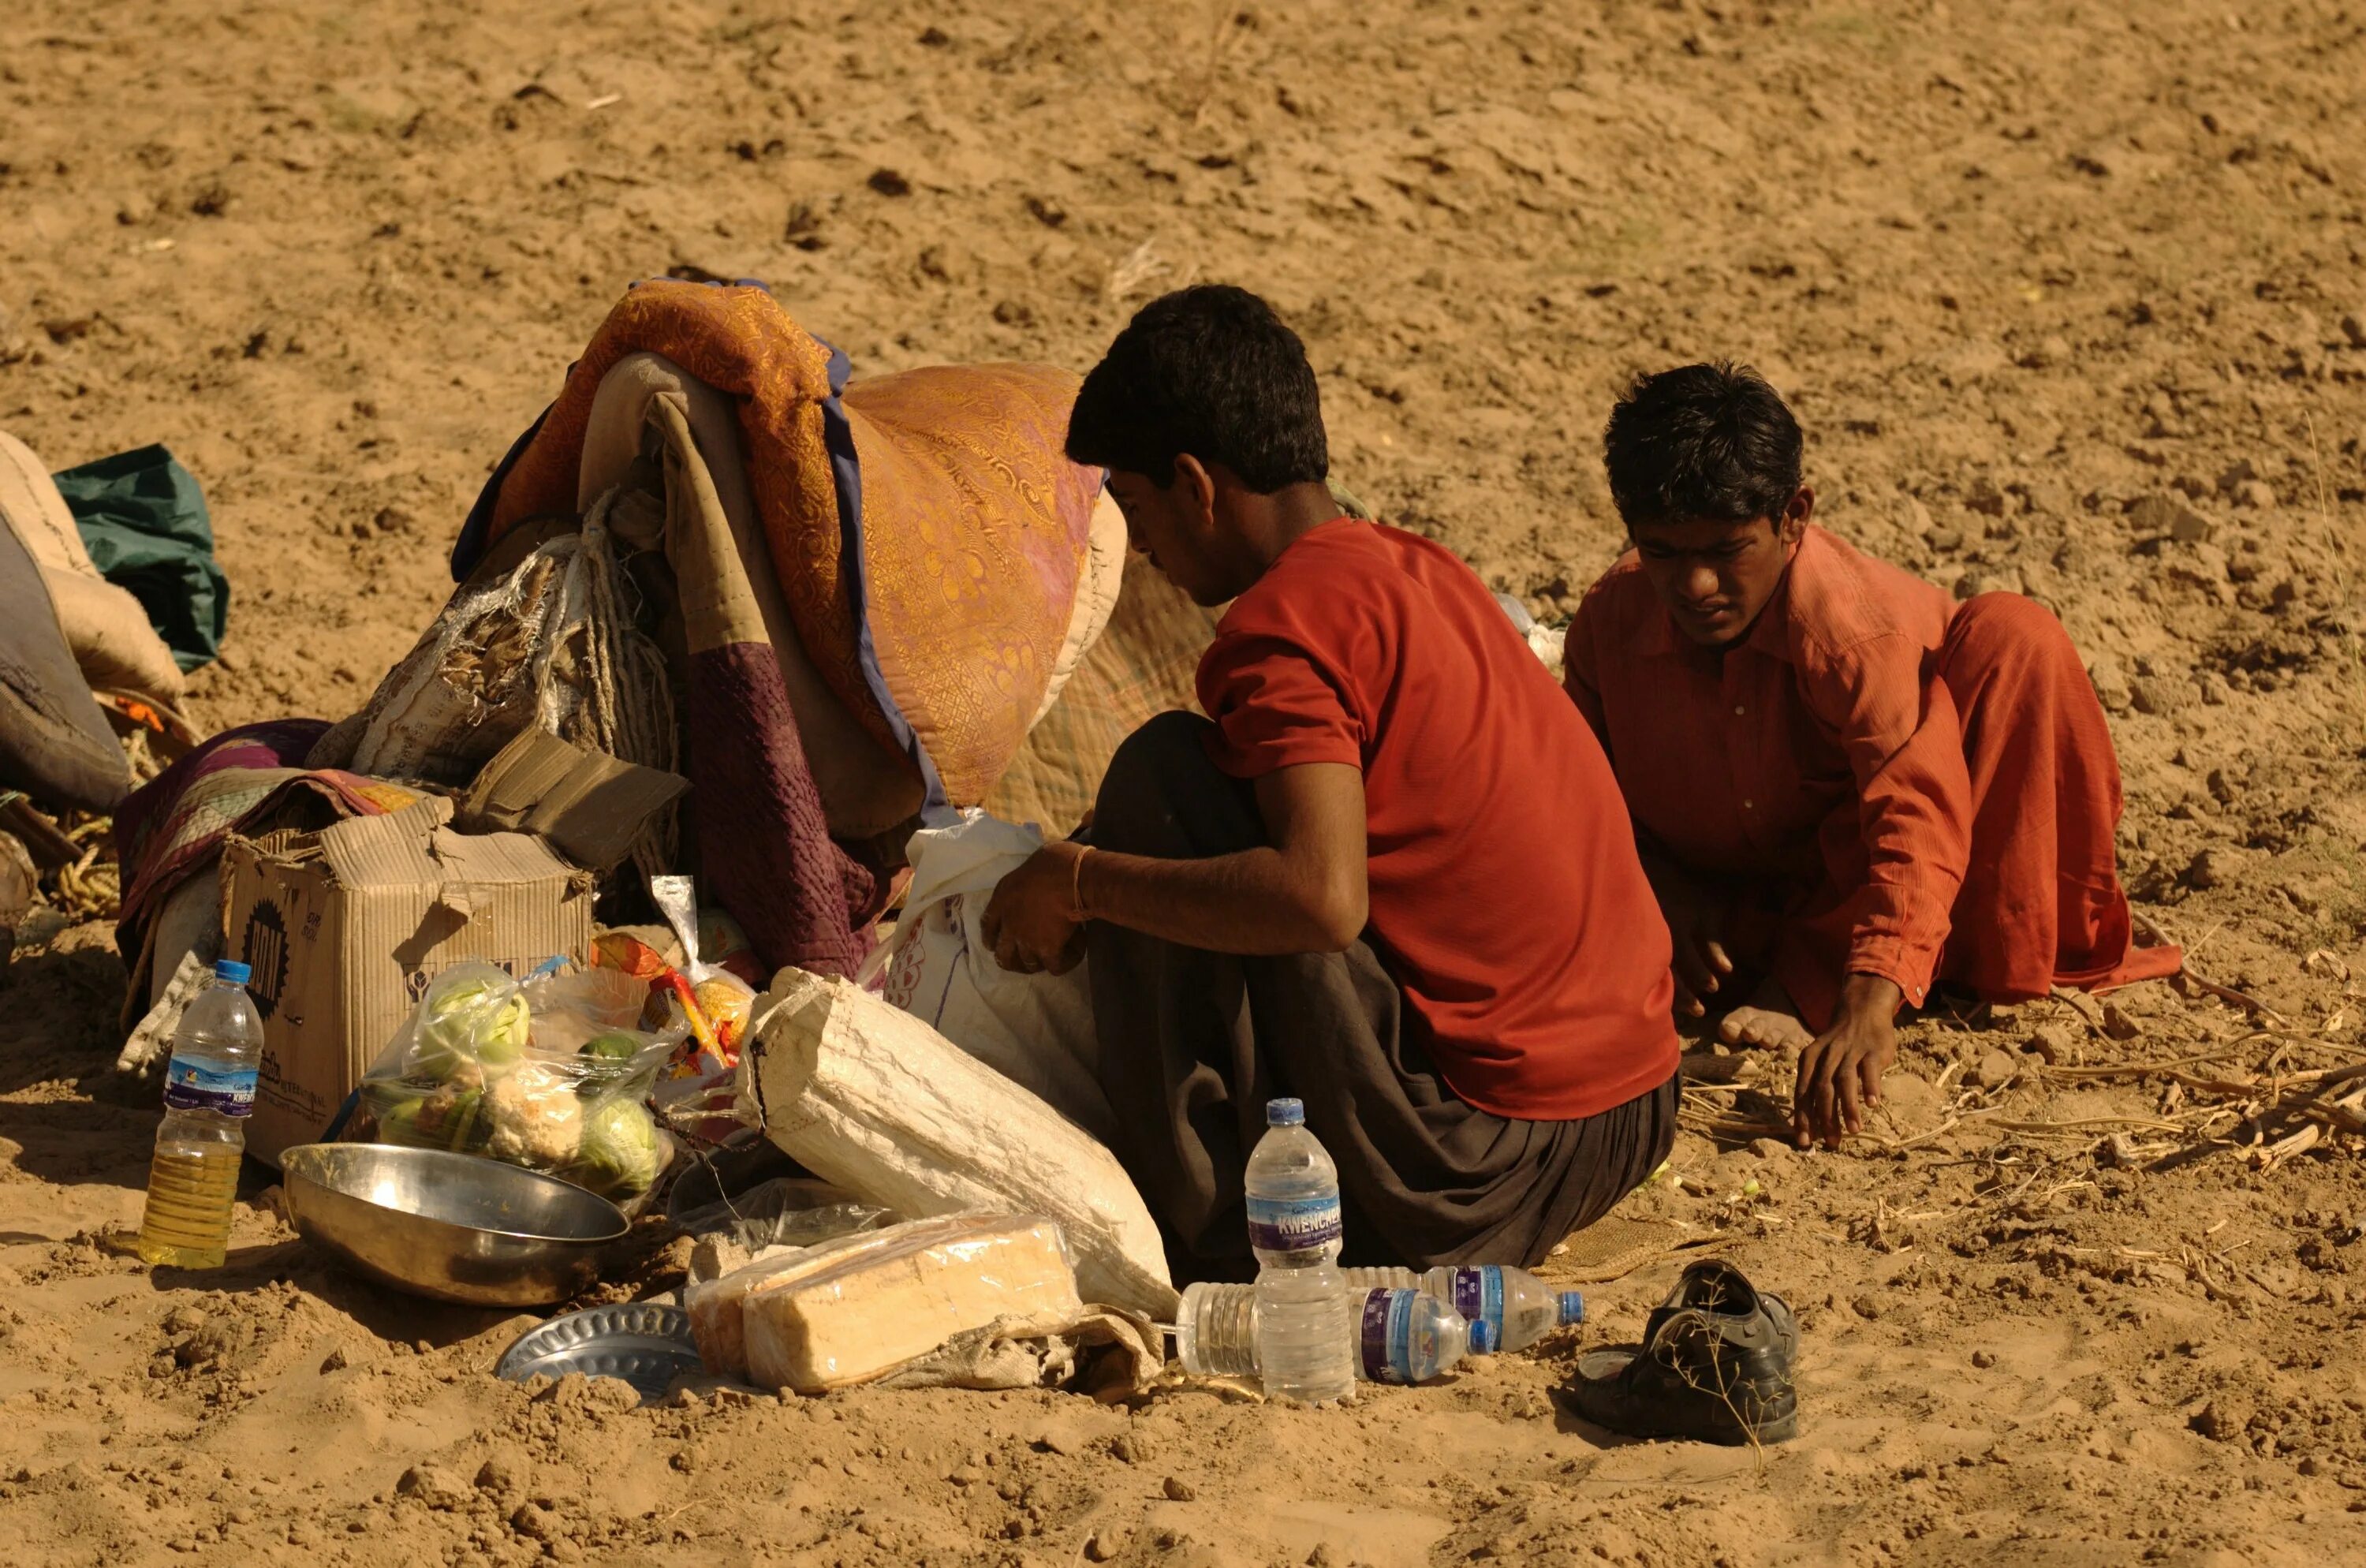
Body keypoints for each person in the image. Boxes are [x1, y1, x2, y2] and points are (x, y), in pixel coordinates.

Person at [982, 286, 1681, 1283]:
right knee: (1194, 804)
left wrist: (1082, 880)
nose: (1144, 553)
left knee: (1165, 780)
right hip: (1635, 1108)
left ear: (1196, 484)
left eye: (1138, 513)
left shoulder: (1283, 627)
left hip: (1482, 1170)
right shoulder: (1409, 566)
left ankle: (1209, 1230)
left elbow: (1320, 896)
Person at [1562, 362, 2181, 1150]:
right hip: (1743, 894)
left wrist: (1864, 1004)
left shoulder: (1854, 634)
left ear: (1795, 515)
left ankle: (1849, 972)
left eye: (1727, 549)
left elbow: (1915, 817)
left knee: (2012, 638)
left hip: (1892, 878)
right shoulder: (1610, 621)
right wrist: (1657, 898)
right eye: (1663, 553)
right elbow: (1578, 798)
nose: (1697, 584)